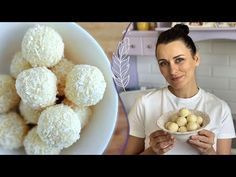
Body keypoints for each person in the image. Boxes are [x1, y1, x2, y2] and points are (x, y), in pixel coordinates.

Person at [124, 24, 236, 155]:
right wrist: (152, 151)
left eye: (179, 60)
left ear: (196, 59)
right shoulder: (144, 104)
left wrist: (209, 151)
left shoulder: (220, 109)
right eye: (163, 63)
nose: (172, 71)